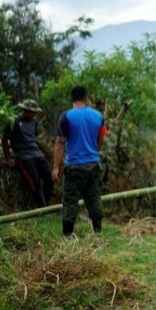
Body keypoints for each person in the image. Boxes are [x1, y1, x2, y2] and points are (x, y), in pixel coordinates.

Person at [51, 86, 107, 236]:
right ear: (86, 97)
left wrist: (56, 167)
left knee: (70, 200)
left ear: (72, 98)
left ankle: (67, 234)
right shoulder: (98, 116)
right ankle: (98, 231)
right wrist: (94, 151)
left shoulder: (66, 117)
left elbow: (60, 142)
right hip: (93, 164)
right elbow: (101, 138)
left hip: (74, 166)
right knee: (94, 196)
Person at [1, 99, 53, 208]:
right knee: (35, 182)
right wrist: (8, 158)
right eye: (32, 112)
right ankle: (42, 208)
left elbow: (34, 137)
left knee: (49, 178)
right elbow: (5, 140)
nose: (34, 114)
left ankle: (48, 206)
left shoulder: (34, 122)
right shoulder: (13, 121)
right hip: (24, 156)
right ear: (25, 110)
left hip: (37, 154)